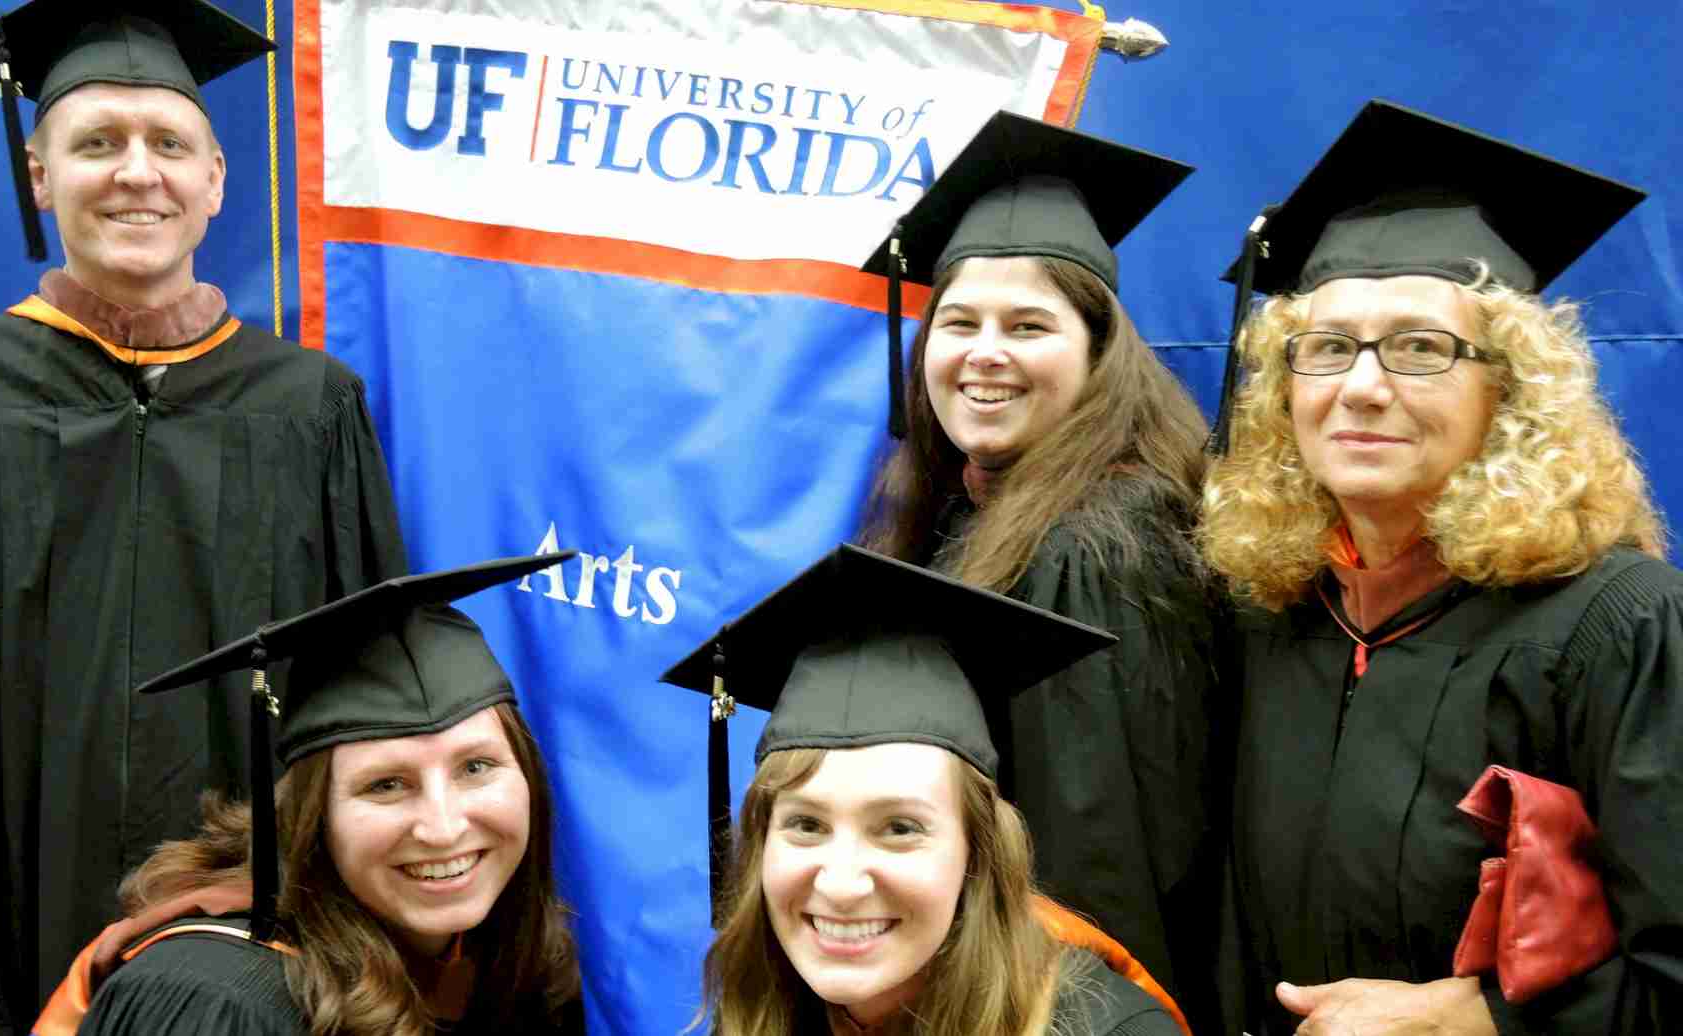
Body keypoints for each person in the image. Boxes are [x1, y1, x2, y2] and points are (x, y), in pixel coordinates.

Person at [0, 4, 407, 1031]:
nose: (136, 171)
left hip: (240, 961)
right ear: (38, 173)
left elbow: (365, 704)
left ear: (215, 181)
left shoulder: (310, 409)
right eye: (96, 142)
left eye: (169, 144)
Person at [1200, 99, 1683, 1035]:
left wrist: (1478, 1022)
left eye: (1422, 348)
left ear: (1508, 388)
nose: (1363, 385)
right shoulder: (1271, 610)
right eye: (1328, 347)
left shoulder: (1619, 626)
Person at [856, 110, 1222, 1027]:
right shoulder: (966, 505)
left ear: (1099, 354)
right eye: (961, 321)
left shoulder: (1097, 545)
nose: (985, 352)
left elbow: (1098, 857)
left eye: (1028, 325)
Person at [33, 554, 584, 1035]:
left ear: (530, 777)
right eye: (385, 785)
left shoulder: (493, 957)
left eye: (477, 766)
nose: (442, 827)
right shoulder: (214, 997)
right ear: (311, 814)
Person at [667, 544, 1190, 1036]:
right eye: (806, 824)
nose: (842, 885)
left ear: (979, 852)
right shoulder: (765, 1010)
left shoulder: (1108, 1028)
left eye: (899, 828)